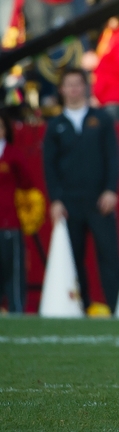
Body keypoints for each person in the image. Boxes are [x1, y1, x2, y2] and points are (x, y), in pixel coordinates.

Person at [43, 68, 119, 314]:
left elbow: (113, 156)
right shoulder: (56, 125)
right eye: (69, 84)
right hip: (69, 201)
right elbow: (49, 165)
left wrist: (111, 189)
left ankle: (118, 307)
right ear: (62, 89)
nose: (74, 89)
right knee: (73, 257)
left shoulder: (102, 119)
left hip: (99, 199)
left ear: (86, 87)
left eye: (78, 84)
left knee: (109, 256)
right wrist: (55, 199)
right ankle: (80, 306)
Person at [0, 112, 33, 313]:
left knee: (13, 269)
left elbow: (27, 184)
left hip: (9, 222)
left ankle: (16, 309)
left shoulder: (12, 154)